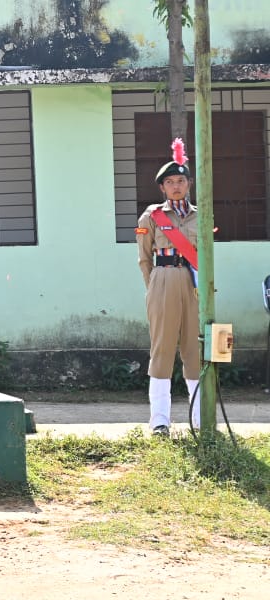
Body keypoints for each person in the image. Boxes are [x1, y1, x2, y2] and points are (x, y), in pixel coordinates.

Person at [136, 141, 202, 435]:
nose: (176, 186)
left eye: (181, 181)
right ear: (162, 187)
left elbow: (205, 255)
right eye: (170, 182)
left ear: (189, 184)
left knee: (194, 349)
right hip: (162, 279)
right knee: (162, 350)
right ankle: (160, 421)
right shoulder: (152, 216)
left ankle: (200, 419)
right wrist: (153, 288)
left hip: (192, 282)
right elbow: (144, 259)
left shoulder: (201, 216)